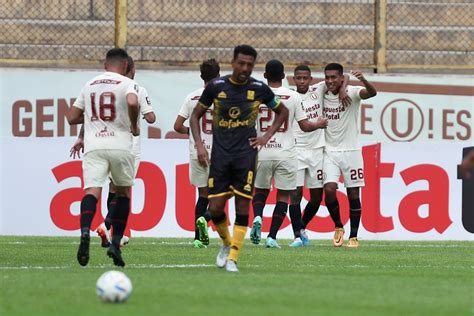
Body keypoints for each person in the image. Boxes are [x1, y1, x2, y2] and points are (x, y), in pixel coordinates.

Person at [190, 45, 289, 272]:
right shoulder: (216, 87)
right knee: (215, 207)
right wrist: (199, 146)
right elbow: (195, 116)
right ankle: (226, 244)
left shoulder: (259, 89)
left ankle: (233, 258)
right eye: (241, 63)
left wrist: (266, 136)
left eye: (250, 65)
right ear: (233, 62)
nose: (245, 68)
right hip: (220, 154)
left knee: (243, 204)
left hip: (246, 154)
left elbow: (283, 111)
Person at [70, 56, 156, 249]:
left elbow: (84, 116)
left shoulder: (96, 85)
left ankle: (102, 230)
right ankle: (108, 226)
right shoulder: (135, 87)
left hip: (97, 144)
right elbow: (150, 117)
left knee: (106, 189)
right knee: (122, 191)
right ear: (130, 69)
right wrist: (137, 120)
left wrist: (82, 136)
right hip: (126, 146)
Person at [249, 60, 328, 248]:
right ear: (284, 76)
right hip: (286, 152)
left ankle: (258, 216)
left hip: (263, 152)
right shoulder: (293, 96)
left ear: (265, 76)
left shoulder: (256, 96)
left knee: (260, 191)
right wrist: (318, 124)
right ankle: (272, 237)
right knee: (284, 196)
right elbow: (305, 126)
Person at [289, 65, 349, 247]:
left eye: (304, 78)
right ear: (293, 79)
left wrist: (344, 88)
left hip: (317, 151)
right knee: (296, 194)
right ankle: (297, 236)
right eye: (298, 78)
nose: (301, 81)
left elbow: (344, 75)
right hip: (297, 151)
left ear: (310, 79)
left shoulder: (319, 89)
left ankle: (302, 227)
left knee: (316, 197)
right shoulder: (291, 97)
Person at [322, 63, 377, 248]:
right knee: (329, 189)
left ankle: (354, 236)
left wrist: (362, 80)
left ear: (340, 78)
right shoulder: (321, 91)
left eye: (333, 78)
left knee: (353, 194)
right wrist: (343, 84)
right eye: (327, 77)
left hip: (352, 152)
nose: (330, 81)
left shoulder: (353, 92)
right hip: (329, 151)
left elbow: (372, 93)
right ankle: (338, 226)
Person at [173, 59, 220, 248]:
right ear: (218, 76)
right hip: (219, 151)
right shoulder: (223, 97)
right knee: (222, 193)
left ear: (202, 77)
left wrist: (193, 134)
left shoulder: (191, 97)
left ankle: (197, 239)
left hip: (197, 150)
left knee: (203, 195)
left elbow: (177, 126)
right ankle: (207, 218)